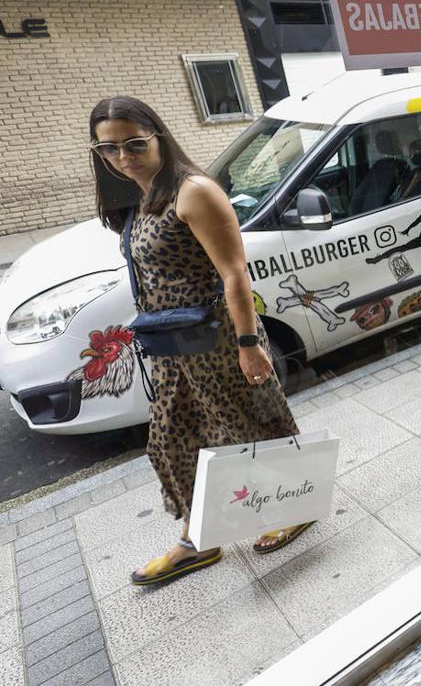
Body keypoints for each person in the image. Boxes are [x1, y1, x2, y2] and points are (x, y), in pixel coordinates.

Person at [89, 96, 313, 586]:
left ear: (158, 137)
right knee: (174, 438)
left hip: (213, 342)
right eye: (108, 149)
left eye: (133, 143)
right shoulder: (141, 195)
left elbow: (234, 272)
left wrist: (250, 343)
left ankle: (294, 507)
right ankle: (199, 538)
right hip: (171, 346)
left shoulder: (193, 192)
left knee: (245, 427)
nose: (122, 156)